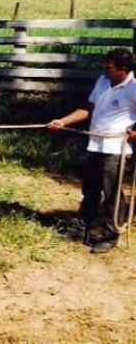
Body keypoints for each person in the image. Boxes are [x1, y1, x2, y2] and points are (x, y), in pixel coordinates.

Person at [47, 48, 136, 254]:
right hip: (95, 144)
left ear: (123, 69)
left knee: (111, 191)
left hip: (116, 147)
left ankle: (110, 233)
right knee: (91, 188)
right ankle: (82, 226)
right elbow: (88, 109)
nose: (105, 68)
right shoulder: (103, 81)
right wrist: (62, 121)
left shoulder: (133, 88)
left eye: (110, 66)